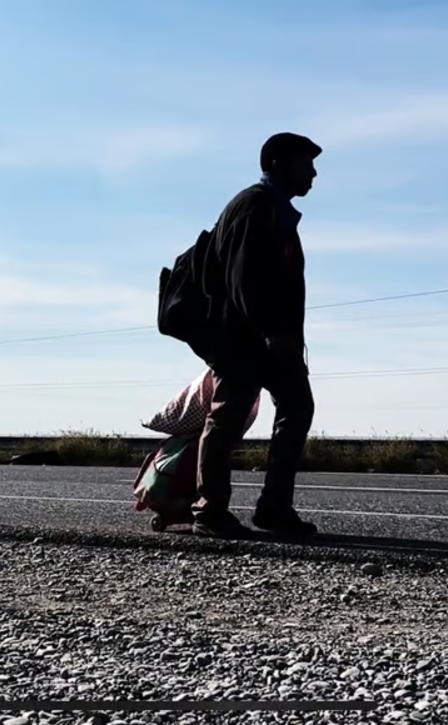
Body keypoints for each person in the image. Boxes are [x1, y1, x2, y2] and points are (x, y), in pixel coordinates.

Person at [191, 132, 322, 540]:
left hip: (269, 338)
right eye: (306, 164)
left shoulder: (275, 209)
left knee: (297, 407)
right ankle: (210, 510)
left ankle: (274, 509)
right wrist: (269, 331)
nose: (313, 173)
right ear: (278, 164)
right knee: (228, 418)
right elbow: (242, 276)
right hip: (244, 338)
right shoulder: (254, 206)